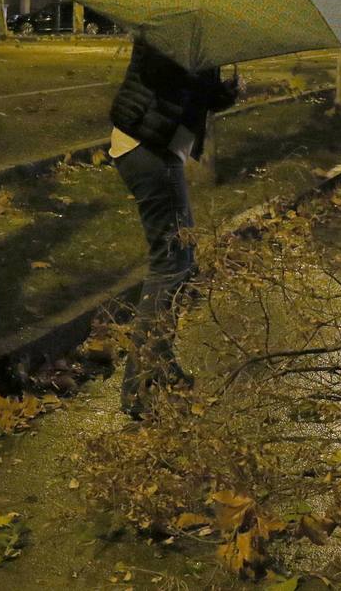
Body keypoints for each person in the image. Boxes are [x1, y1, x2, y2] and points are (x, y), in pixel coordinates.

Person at [109, 38, 238, 417]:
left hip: (158, 147)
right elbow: (165, 74)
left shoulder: (195, 33)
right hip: (147, 147)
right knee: (170, 265)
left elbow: (193, 96)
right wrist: (204, 75)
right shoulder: (169, 28)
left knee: (180, 261)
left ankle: (161, 367)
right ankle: (138, 386)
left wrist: (223, 93)